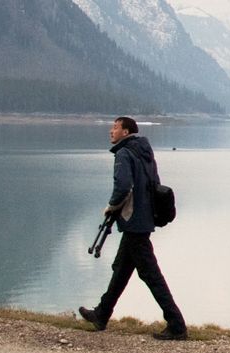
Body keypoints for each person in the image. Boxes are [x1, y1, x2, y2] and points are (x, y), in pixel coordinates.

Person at [79, 116, 187, 340]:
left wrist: (111, 207)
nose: (111, 131)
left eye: (115, 128)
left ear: (126, 132)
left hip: (133, 222)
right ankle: (102, 314)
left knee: (151, 275)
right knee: (121, 269)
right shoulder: (144, 152)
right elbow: (154, 183)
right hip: (144, 220)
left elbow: (123, 186)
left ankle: (176, 324)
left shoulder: (124, 154)